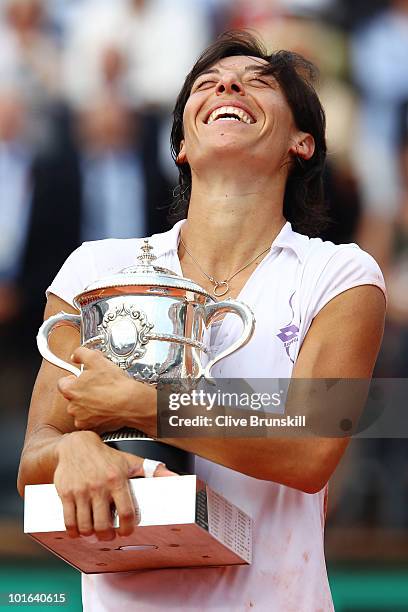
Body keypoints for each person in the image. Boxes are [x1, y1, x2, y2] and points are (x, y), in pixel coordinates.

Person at [18, 31, 386, 611]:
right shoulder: (94, 267)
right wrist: (71, 453)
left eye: (258, 82)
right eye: (206, 84)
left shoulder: (340, 274)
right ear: (182, 147)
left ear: (302, 142)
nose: (228, 85)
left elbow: (313, 446)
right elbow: (36, 455)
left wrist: (146, 403)